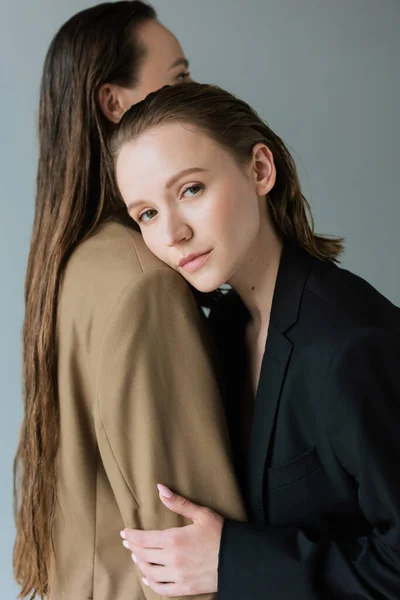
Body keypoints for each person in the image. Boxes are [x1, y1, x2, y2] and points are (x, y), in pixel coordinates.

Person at [111, 82, 400, 599]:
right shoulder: (219, 331)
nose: (172, 232)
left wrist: (230, 561)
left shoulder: (350, 345)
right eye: (147, 214)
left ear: (259, 170)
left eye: (190, 190)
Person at [13, 6, 246, 600]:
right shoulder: (143, 281)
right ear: (115, 104)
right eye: (180, 77)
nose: (195, 93)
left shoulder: (75, 261)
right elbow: (189, 543)